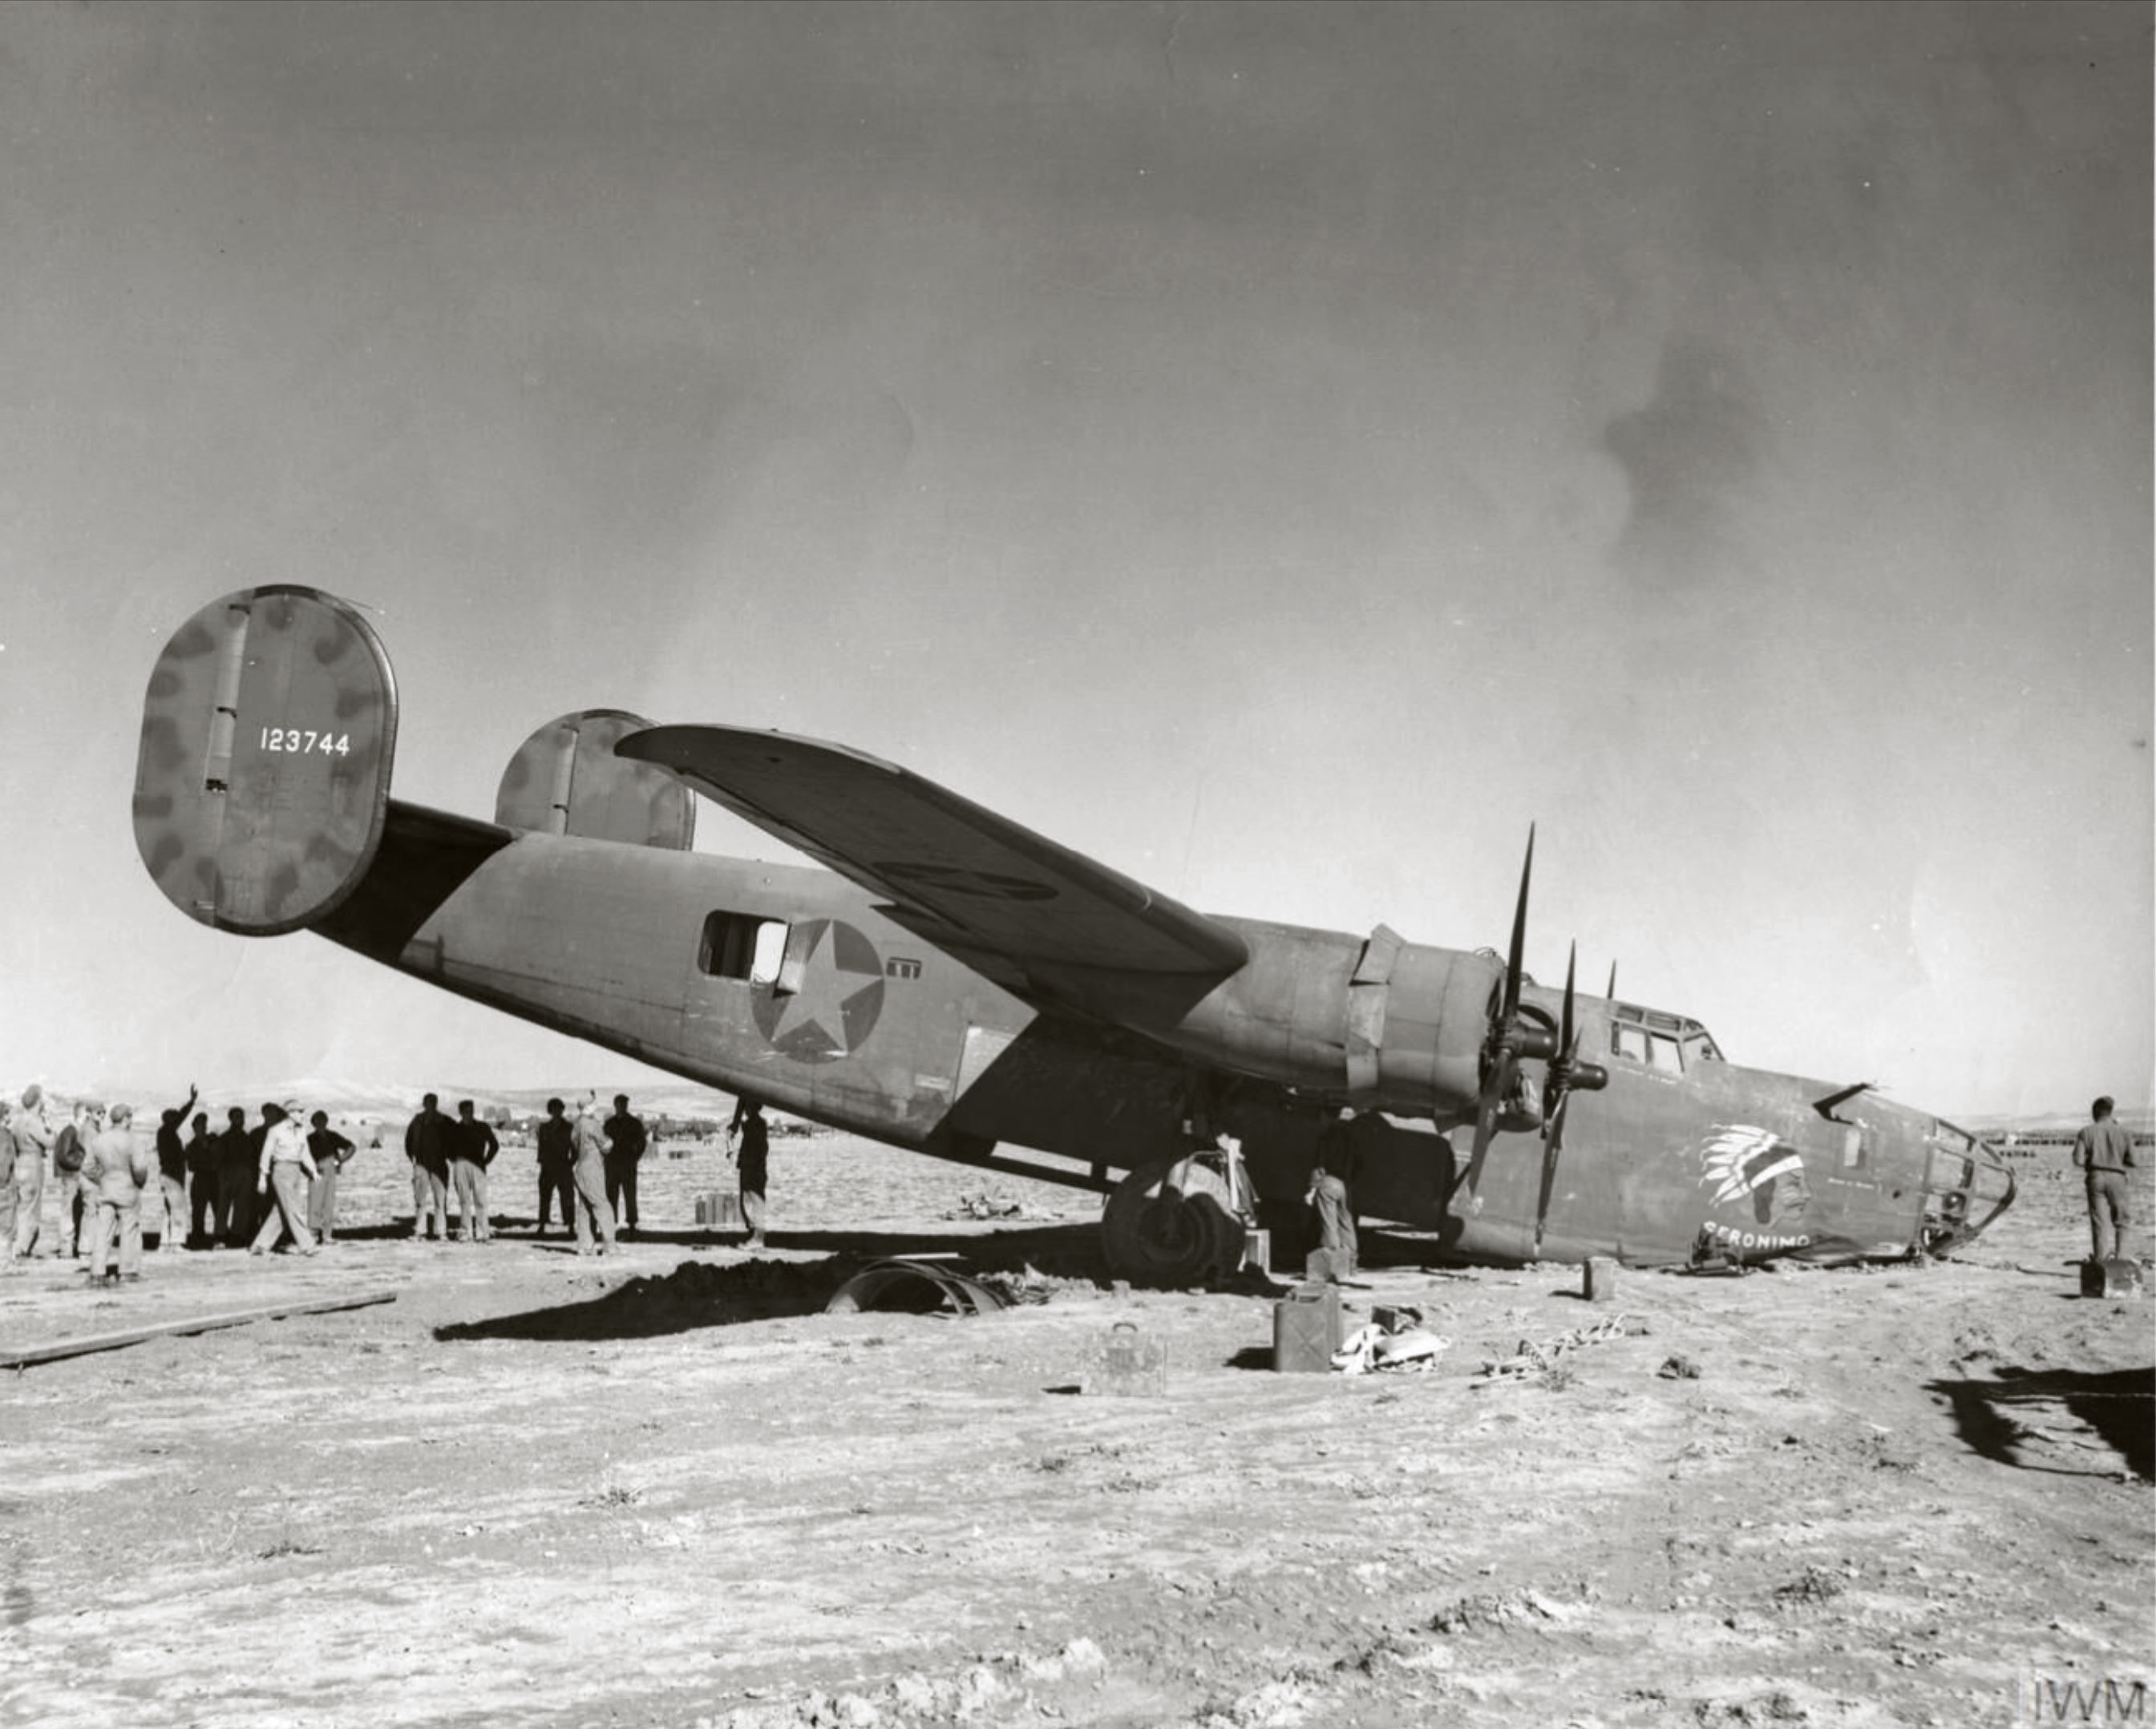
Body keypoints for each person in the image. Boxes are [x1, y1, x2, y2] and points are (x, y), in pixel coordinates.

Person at [81, 1104, 155, 1283]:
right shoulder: (132, 1140)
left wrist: (102, 1179)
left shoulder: (99, 1140)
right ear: (125, 1119)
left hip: (106, 1191)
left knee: (102, 1232)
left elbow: (87, 1167)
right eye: (130, 1117)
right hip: (127, 1191)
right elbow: (140, 1168)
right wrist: (139, 1182)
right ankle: (127, 1271)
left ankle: (97, 1271)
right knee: (129, 1231)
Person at [2073, 1095, 2138, 1264]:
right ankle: (2121, 1261)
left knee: (2099, 1223)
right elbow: (2134, 1161)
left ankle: (2101, 1263)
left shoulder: (2086, 1132)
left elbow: (2078, 1160)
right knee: (2122, 1221)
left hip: (2095, 1178)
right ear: (2110, 1113)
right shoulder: (2124, 1133)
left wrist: (2093, 1159)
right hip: (2118, 1178)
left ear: (2095, 1112)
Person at [250, 1102, 319, 1256]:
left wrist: (313, 1169)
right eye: (300, 1111)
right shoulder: (275, 1131)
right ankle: (307, 1245)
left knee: (281, 1211)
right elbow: (266, 1154)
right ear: (291, 1113)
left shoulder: (301, 1131)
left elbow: (305, 1153)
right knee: (293, 1209)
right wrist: (263, 1176)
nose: (303, 1115)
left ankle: (260, 1245)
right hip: (281, 1171)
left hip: (295, 1171)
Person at [152, 1083, 199, 1251]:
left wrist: (191, 1103)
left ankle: (165, 1242)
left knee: (169, 1208)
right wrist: (185, 1155)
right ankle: (176, 1242)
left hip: (167, 1174)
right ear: (169, 1120)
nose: (177, 1120)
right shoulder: (167, 1133)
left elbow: (181, 1116)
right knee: (178, 1207)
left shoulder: (164, 1132)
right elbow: (173, 1155)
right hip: (173, 1174)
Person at [10, 1085, 55, 1260]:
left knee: (21, 1207)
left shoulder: (17, 1121)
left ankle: (17, 1245)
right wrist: (49, 1127)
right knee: (31, 1209)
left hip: (19, 1163)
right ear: (38, 1102)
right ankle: (22, 1247)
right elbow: (50, 1142)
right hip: (33, 1165)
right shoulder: (34, 1121)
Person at [569, 1093, 616, 1256]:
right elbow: (605, 1145)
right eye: (594, 1104)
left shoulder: (576, 1125)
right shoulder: (593, 1125)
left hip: (580, 1169)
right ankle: (610, 1245)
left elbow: (575, 1146)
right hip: (593, 1169)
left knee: (584, 1208)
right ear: (588, 1107)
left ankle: (584, 1245)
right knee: (602, 1205)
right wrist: (611, 1143)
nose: (596, 1106)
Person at [404, 1093, 453, 1241]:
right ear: (424, 1104)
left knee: (440, 1200)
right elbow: (408, 1140)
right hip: (421, 1164)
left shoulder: (445, 1121)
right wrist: (413, 1158)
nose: (431, 1105)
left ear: (436, 1104)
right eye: (428, 1103)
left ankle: (441, 1231)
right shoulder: (417, 1120)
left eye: (433, 1102)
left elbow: (455, 1139)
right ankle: (420, 1232)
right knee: (420, 1200)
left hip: (439, 1164)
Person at [50, 1101, 95, 1258]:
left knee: (74, 1213)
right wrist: (82, 1163)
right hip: (71, 1178)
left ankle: (70, 1247)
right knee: (68, 1214)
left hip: (74, 1178)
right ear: (82, 1115)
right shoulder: (71, 1131)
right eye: (87, 1115)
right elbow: (65, 1156)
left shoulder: (76, 1131)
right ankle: (66, 1249)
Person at [451, 1100, 499, 1242]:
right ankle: (466, 1232)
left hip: (478, 1166)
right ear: (461, 1112)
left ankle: (483, 1232)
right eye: (466, 1111)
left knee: (481, 1200)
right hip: (460, 1165)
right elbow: (447, 1146)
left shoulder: (482, 1127)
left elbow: (494, 1145)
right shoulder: (455, 1129)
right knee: (464, 1200)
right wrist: (454, 1160)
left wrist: (487, 1160)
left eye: (471, 1110)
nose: (469, 1113)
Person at [305, 1111, 357, 1243]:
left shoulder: (333, 1136)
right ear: (313, 1123)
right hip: (316, 1171)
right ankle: (313, 1234)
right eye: (317, 1121)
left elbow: (351, 1147)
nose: (320, 1123)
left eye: (322, 1120)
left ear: (326, 1122)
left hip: (331, 1171)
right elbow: (302, 1156)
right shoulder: (309, 1139)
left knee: (328, 1203)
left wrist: (340, 1161)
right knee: (315, 1203)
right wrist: (309, 1171)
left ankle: (327, 1235)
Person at [726, 1097, 769, 1251]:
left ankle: (758, 1237)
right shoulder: (754, 1124)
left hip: (753, 1168)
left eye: (747, 1106)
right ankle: (754, 1234)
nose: (745, 1109)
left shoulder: (756, 1125)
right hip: (749, 1167)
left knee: (755, 1200)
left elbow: (761, 1149)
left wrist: (748, 1164)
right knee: (747, 1202)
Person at [604, 1094, 648, 1236]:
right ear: (615, 1105)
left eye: (624, 1104)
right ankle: (612, 1225)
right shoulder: (609, 1124)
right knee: (611, 1197)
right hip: (612, 1165)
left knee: (630, 1196)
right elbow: (602, 1142)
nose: (622, 1107)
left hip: (628, 1165)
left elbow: (642, 1143)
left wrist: (635, 1158)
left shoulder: (635, 1123)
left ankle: (632, 1225)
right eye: (619, 1104)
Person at [213, 1107, 255, 1247]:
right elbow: (218, 1158)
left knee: (241, 1207)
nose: (240, 1120)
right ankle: (220, 1235)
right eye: (237, 1117)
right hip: (228, 1174)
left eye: (241, 1117)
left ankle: (237, 1235)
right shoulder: (225, 1138)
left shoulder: (246, 1137)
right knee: (223, 1206)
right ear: (231, 1119)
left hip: (244, 1175)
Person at [535, 1099, 575, 1236]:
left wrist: (571, 1162)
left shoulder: (569, 1128)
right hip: (548, 1168)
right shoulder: (544, 1128)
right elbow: (541, 1148)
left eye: (559, 1109)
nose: (556, 1112)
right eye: (554, 1109)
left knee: (568, 1198)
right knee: (544, 1197)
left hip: (564, 1167)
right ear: (550, 1111)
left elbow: (575, 1148)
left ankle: (570, 1226)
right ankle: (542, 1225)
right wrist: (542, 1162)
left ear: (562, 1110)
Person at [183, 1111, 216, 1246]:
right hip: (201, 1179)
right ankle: (198, 1237)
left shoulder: (212, 1140)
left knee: (216, 1210)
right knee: (198, 1212)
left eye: (204, 1125)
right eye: (200, 1126)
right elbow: (191, 1166)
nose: (203, 1128)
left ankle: (218, 1235)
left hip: (211, 1179)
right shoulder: (191, 1146)